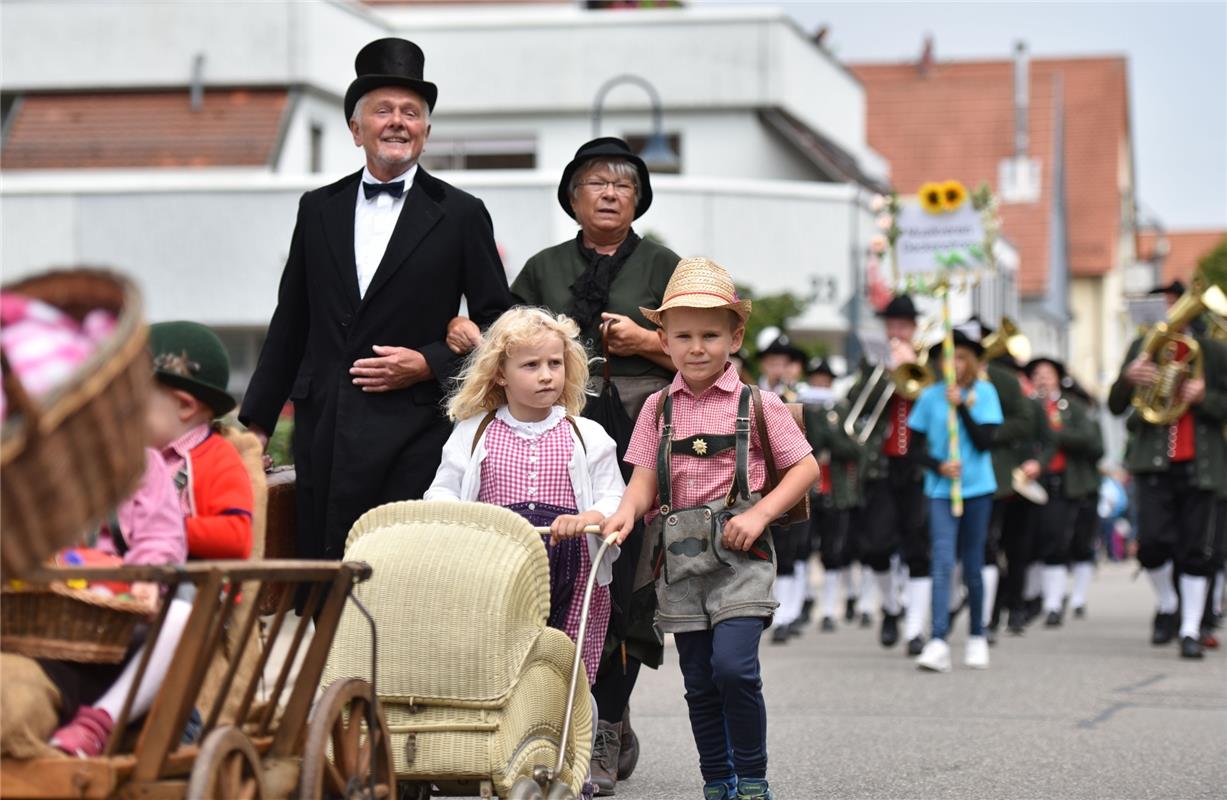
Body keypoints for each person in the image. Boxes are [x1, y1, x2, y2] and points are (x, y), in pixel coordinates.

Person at [446, 137, 678, 793]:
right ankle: (545, 718)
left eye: (623, 183)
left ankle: (606, 719)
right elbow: (507, 341)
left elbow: (705, 352)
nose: (608, 192)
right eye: (594, 181)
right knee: (544, 586)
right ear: (572, 196)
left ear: (639, 198)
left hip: (637, 427)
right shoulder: (542, 267)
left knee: (626, 576)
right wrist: (470, 336)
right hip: (553, 428)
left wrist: (649, 343)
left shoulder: (666, 266)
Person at [239, 37, 512, 568]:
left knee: (397, 583)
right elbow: (290, 323)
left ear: (426, 133)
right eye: (382, 110)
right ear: (355, 128)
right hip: (327, 431)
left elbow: (498, 323)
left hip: (416, 434)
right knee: (326, 587)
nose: (397, 122)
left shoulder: (461, 213)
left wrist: (428, 362)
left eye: (411, 113)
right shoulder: (317, 208)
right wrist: (255, 428)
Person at [603, 257, 818, 800]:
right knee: (699, 681)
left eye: (710, 335)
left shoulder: (760, 404)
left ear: (734, 336)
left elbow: (806, 468)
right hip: (680, 560)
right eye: (683, 336)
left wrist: (760, 513)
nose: (696, 347)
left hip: (742, 560)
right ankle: (717, 780)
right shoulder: (658, 407)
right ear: (664, 339)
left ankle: (752, 777)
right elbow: (643, 480)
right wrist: (626, 514)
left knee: (734, 670)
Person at [49, 321, 254, 754]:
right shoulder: (122, 462)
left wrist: (167, 524)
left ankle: (158, 727)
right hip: (123, 581)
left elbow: (237, 535)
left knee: (179, 610)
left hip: (197, 587)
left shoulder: (215, 457)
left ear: (183, 406)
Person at [424, 306, 625, 690]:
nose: (547, 375)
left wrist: (589, 519)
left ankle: (572, 739)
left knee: (566, 675)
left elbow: (614, 495)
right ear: (501, 373)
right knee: (502, 669)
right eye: (531, 365)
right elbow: (442, 490)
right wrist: (463, 519)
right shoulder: (473, 432)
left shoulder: (587, 435)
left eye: (554, 362)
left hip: (573, 574)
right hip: (495, 572)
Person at [1107, 290, 1227, 659]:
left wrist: (1204, 396)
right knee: (1153, 545)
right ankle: (1169, 602)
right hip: (1153, 461)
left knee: (1197, 549)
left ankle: (1190, 629)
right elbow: (1115, 405)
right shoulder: (1142, 345)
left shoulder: (1214, 351)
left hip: (1201, 464)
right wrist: (1129, 379)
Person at [907, 328, 1002, 672]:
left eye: (962, 357)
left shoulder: (986, 393)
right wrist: (938, 465)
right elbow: (913, 449)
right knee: (942, 562)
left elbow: (985, 441)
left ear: (972, 362)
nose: (955, 363)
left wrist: (961, 407)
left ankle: (977, 635)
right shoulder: (929, 397)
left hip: (977, 489)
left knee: (973, 564)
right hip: (940, 491)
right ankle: (938, 640)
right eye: (949, 357)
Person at [843, 295, 930, 654]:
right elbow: (854, 403)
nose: (897, 331)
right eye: (891, 325)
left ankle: (915, 630)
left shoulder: (930, 362)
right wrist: (885, 372)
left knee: (918, 547)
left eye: (903, 325)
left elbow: (938, 404)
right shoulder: (874, 361)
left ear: (914, 328)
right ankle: (892, 608)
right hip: (881, 465)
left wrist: (914, 371)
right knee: (876, 546)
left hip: (920, 466)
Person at [1025, 358, 1102, 627]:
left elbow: (1094, 444)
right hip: (1030, 483)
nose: (1042, 379)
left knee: (1061, 542)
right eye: (1037, 374)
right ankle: (1036, 598)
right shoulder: (1027, 406)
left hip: (1065, 483)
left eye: (1047, 374)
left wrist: (1057, 434)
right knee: (1035, 542)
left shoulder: (1073, 408)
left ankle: (1056, 603)